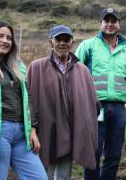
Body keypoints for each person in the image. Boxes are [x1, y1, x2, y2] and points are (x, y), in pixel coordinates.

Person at [0, 20, 47, 180]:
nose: (5, 41)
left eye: (9, 38)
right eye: (0, 36)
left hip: (22, 135)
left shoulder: (18, 67)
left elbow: (28, 100)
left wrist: (33, 129)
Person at [75, 7, 126, 180]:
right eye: (107, 20)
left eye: (114, 21)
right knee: (94, 153)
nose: (110, 24)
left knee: (113, 154)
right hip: (95, 107)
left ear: (119, 25)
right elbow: (74, 76)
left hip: (119, 109)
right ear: (101, 23)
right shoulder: (87, 46)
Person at [27, 25, 100, 179]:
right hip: (46, 132)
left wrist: (86, 126)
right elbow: (29, 101)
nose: (62, 43)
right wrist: (32, 128)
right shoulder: (36, 67)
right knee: (41, 174)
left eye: (66, 39)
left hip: (71, 131)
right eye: (58, 39)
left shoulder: (83, 70)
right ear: (50, 42)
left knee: (63, 176)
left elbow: (93, 103)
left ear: (72, 42)